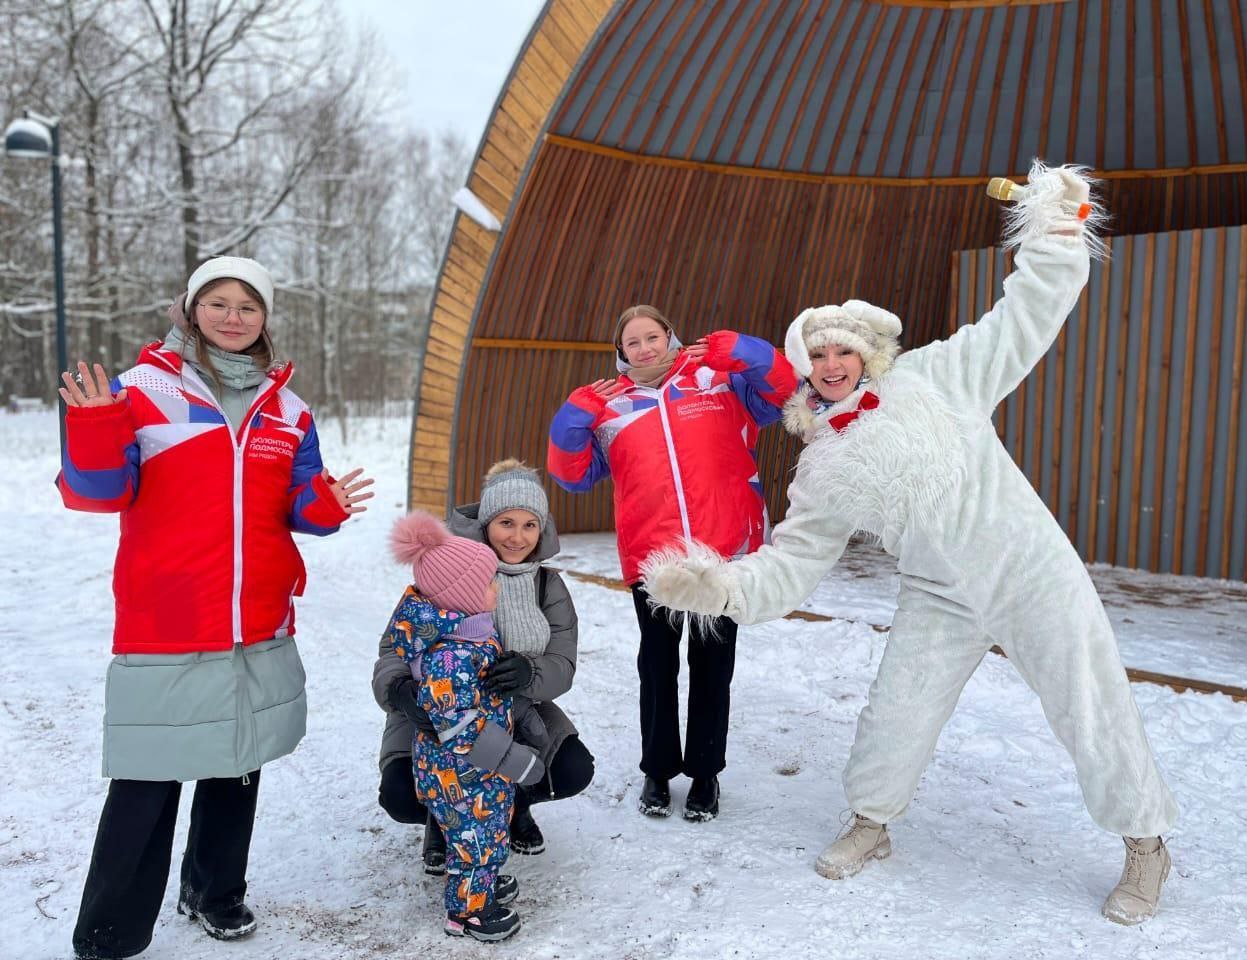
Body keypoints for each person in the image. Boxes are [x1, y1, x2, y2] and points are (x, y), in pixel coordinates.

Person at [641, 163, 1179, 924]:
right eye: (817, 357)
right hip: (938, 595)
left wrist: (1056, 230)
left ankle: (1145, 843)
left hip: (1029, 571)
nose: (831, 366)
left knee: (1088, 706)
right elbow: (792, 566)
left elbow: (1024, 315)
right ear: (806, 372)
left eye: (842, 352)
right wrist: (720, 587)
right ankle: (871, 823)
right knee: (896, 712)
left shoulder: (939, 377)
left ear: (866, 352)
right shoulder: (823, 463)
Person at [56, 256, 374, 960]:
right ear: (191, 308)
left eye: (248, 307)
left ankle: (214, 890)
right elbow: (99, 492)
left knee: (238, 761)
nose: (234, 318)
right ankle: (109, 931)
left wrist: (324, 506)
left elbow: (300, 504)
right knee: (149, 776)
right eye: (219, 303)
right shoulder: (142, 390)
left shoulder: (288, 408)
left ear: (265, 318)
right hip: (168, 619)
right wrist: (92, 427)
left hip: (256, 619)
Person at [547, 306, 795, 821]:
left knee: (712, 666)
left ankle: (706, 775)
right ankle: (657, 771)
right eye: (632, 342)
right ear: (621, 352)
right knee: (657, 666)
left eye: (652, 337)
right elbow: (570, 475)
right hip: (652, 558)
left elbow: (782, 391)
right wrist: (575, 413)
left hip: (720, 556)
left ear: (670, 337)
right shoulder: (610, 407)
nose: (645, 348)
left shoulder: (718, 381)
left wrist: (745, 350)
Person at [372, 459, 594, 871]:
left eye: (530, 525)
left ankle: (513, 808)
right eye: (506, 523)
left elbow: (563, 661)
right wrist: (402, 693)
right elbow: (394, 648)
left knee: (571, 768)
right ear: (486, 522)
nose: (518, 536)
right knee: (402, 794)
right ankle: (441, 821)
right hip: (435, 710)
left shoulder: (547, 585)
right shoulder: (448, 570)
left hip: (516, 706)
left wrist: (531, 673)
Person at [385, 511, 547, 942]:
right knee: (474, 840)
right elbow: (457, 727)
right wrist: (513, 759)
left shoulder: (470, 634)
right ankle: (468, 912)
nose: (495, 589)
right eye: (488, 583)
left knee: (490, 829)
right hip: (461, 770)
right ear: (464, 595)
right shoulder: (451, 656)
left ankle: (483, 884)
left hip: (478, 769)